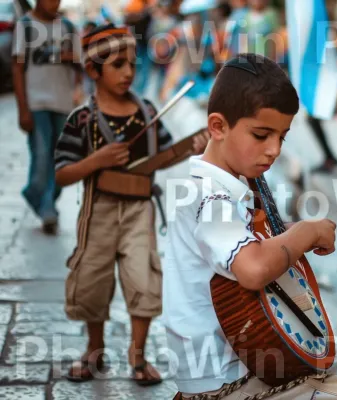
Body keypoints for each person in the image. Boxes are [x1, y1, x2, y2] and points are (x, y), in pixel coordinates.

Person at [163, 53, 337, 399]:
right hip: (227, 382)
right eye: (261, 135)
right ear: (218, 127)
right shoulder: (210, 198)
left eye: (282, 137)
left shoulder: (237, 181)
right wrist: (305, 233)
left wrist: (286, 230)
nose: (273, 150)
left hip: (255, 357)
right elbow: (254, 267)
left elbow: (247, 239)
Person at [53, 23, 208, 386]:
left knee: (144, 278)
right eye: (117, 65)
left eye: (132, 65)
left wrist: (192, 147)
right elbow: (61, 174)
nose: (127, 73)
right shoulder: (83, 119)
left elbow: (163, 158)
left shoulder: (147, 112)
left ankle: (138, 357)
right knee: (92, 277)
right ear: (93, 71)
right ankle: (94, 351)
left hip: (140, 211)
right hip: (100, 210)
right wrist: (97, 160)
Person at [12, 0, 82, 234]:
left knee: (60, 159)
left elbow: (81, 62)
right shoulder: (26, 25)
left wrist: (69, 57)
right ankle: (44, 202)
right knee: (41, 156)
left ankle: (46, 203)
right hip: (36, 102)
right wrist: (22, 108)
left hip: (62, 103)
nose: (54, 3)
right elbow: (17, 67)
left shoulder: (69, 27)